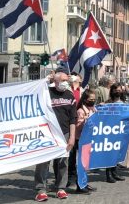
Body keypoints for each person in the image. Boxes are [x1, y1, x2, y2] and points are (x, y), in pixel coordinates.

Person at [34, 72, 77, 202]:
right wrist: (47, 79)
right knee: (43, 162)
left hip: (64, 133)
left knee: (63, 162)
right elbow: (36, 89)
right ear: (56, 81)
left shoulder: (70, 96)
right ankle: (41, 189)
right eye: (63, 80)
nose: (66, 82)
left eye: (67, 80)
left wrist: (72, 137)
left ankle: (60, 188)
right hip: (47, 133)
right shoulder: (47, 92)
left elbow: (73, 119)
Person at [71, 89, 98, 194]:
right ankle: (80, 186)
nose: (93, 101)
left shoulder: (92, 109)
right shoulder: (80, 111)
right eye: (91, 99)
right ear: (85, 99)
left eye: (94, 99)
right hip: (80, 139)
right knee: (81, 163)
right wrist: (85, 120)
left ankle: (84, 183)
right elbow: (77, 126)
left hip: (88, 139)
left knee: (86, 163)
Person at [105, 84, 127, 183]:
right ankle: (108, 174)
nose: (118, 92)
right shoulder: (108, 103)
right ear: (112, 91)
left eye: (119, 90)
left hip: (120, 131)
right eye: (116, 90)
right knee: (109, 153)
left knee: (116, 153)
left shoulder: (124, 103)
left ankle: (114, 172)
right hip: (110, 131)